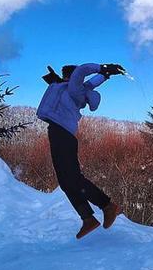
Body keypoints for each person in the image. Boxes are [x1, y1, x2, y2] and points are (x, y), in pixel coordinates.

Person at [36, 62, 126, 239]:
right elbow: (92, 83)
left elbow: (83, 71)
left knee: (73, 179)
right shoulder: (73, 88)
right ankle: (87, 218)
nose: (64, 77)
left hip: (62, 134)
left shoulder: (75, 89)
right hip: (58, 132)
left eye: (66, 75)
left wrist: (103, 67)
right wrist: (106, 75)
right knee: (66, 181)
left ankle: (108, 205)